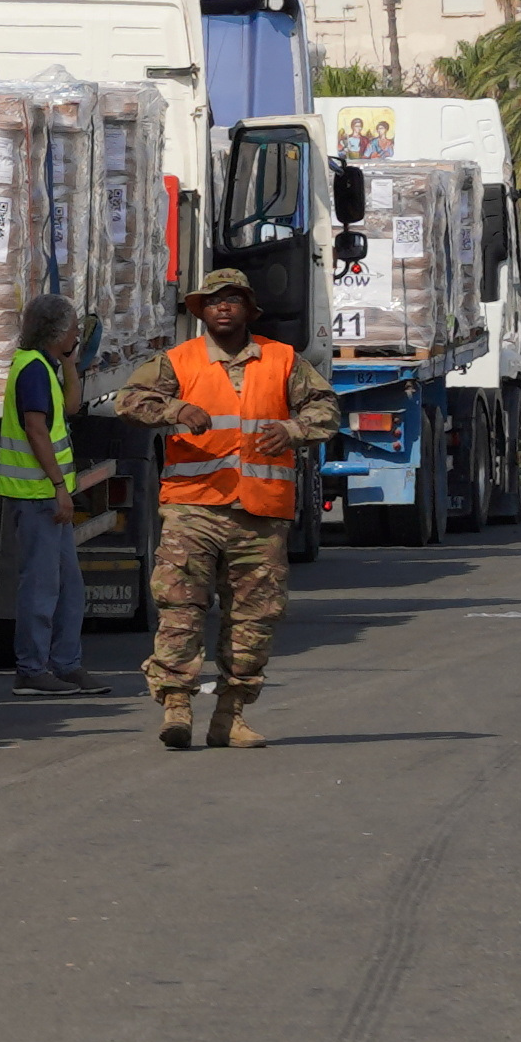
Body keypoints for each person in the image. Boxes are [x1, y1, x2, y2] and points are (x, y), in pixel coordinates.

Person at [103, 268, 341, 749]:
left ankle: (229, 717)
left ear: (250, 309)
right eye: (213, 301)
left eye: (232, 299)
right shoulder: (179, 361)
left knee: (254, 619)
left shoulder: (283, 360)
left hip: (259, 515)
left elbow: (326, 409)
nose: (223, 307)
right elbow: (128, 401)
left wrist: (293, 431)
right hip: (193, 511)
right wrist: (174, 411)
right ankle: (176, 708)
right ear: (200, 312)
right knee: (180, 611)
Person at [0, 292, 107, 697]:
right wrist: (60, 488)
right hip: (37, 494)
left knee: (68, 585)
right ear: (58, 331)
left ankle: (65, 664)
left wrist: (71, 364)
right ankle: (31, 668)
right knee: (41, 585)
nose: (78, 334)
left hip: (47, 492)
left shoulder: (47, 366)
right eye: (74, 329)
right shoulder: (31, 370)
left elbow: (73, 406)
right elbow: (36, 429)